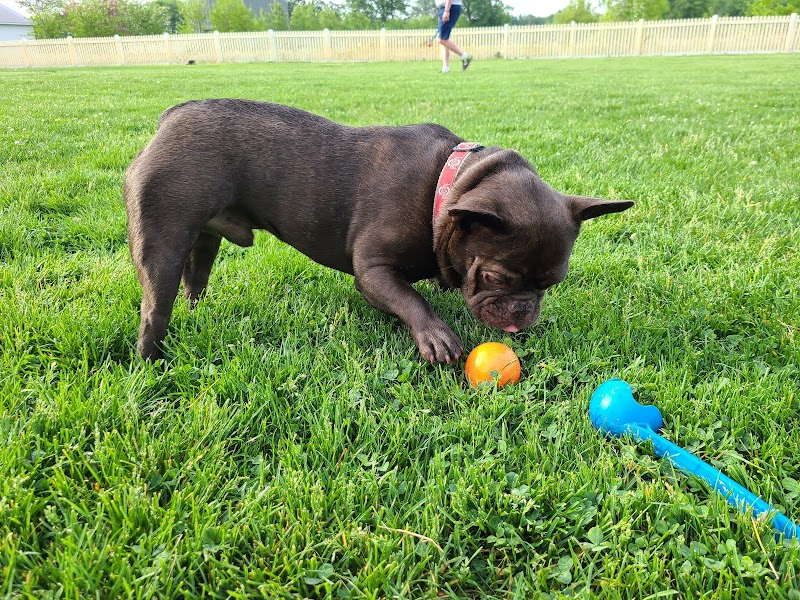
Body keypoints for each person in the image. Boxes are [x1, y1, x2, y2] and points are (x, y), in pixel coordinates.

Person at [437, 0, 470, 73]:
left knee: (442, 39)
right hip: (445, 7)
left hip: (450, 7)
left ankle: (465, 57)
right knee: (444, 39)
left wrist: (446, 11)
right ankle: (445, 68)